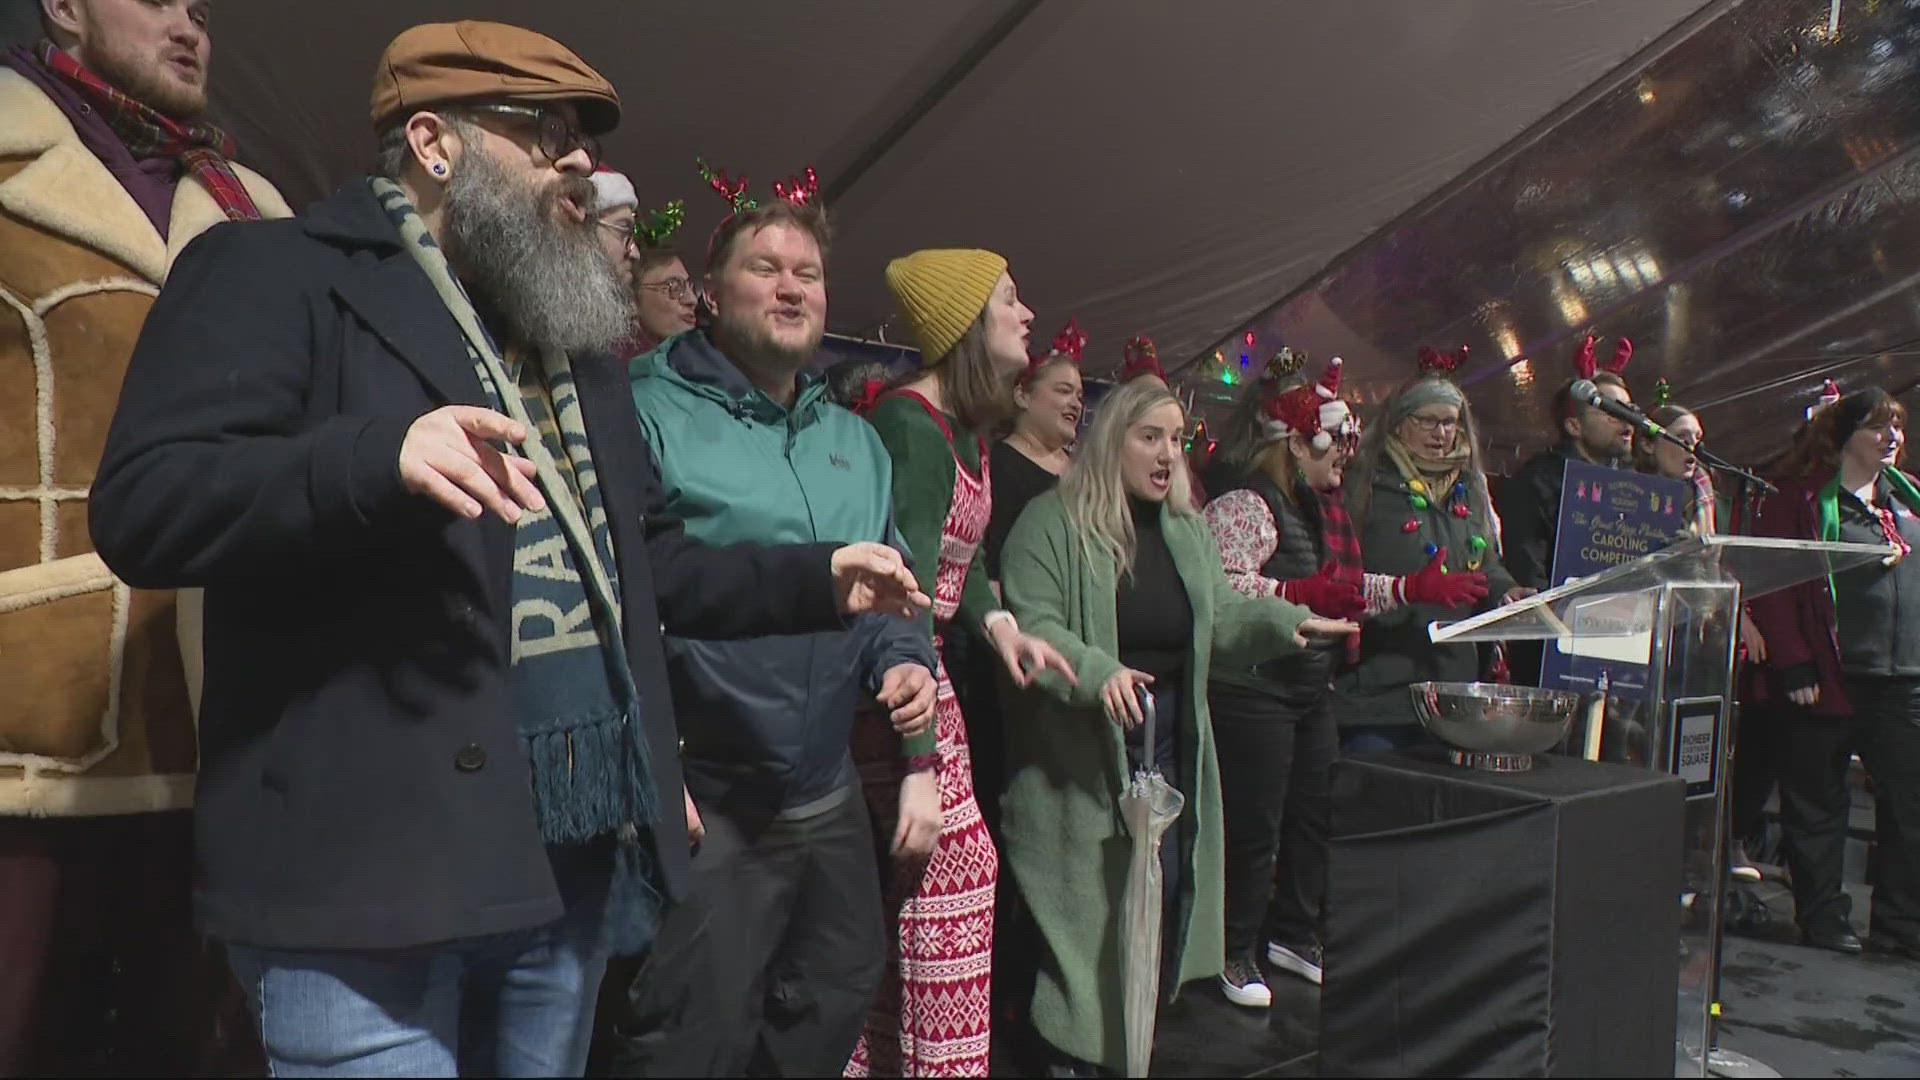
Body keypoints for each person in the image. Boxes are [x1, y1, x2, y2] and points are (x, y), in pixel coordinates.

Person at [85, 21, 929, 1078]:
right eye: (543, 134)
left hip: (557, 866)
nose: (581, 163)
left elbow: (645, 571)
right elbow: (144, 505)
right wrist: (374, 458)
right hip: (366, 883)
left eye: (582, 139)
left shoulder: (577, 347)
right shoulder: (277, 270)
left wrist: (816, 577)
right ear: (434, 145)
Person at [0, 1, 291, 1073]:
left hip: (229, 709)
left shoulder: (252, 206)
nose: (189, 23)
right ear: (66, 8)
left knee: (198, 1042)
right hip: (33, 709)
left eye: (202, 10)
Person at [604, 186, 944, 1076]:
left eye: (810, 274)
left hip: (823, 796)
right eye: (766, 269)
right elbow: (634, 591)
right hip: (706, 802)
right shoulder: (642, 406)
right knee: (684, 1037)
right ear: (713, 292)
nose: (792, 289)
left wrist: (907, 679)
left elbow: (894, 597)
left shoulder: (856, 442)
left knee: (831, 997)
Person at [998, 377, 1356, 1075]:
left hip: (1164, 748)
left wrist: (1290, 624)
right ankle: (1069, 1054)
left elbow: (1219, 614)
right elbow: (1033, 624)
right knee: (1085, 919)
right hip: (1079, 759)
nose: (1168, 455)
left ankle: (1122, 1049)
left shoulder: (1186, 529)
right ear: (1113, 442)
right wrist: (1100, 672)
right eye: (1150, 437)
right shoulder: (1053, 523)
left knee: (1154, 906)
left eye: (1178, 440)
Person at [854, 247, 1074, 1076]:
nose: (1026, 315)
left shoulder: (968, 430)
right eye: (1008, 302)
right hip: (896, 681)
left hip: (938, 670)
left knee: (915, 886)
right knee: (956, 873)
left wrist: (1003, 630)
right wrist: (915, 755)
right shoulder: (908, 425)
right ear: (965, 326)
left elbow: (967, 562)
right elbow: (902, 580)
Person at [1747, 386, 1920, 960]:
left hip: (1902, 681)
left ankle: (1900, 924)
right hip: (1826, 677)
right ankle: (1823, 918)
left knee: (1909, 805)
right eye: (1878, 427)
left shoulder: (1908, 499)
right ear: (1845, 436)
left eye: (1896, 426)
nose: (1892, 437)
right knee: (1817, 805)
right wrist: (1793, 663)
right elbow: (1776, 585)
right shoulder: (1798, 500)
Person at [1338, 345, 1527, 752]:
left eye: (1451, 424)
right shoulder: (1364, 484)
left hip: (1451, 691)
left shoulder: (1471, 488)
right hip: (1377, 689)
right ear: (1399, 424)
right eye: (1428, 422)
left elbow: (1485, 561)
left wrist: (1505, 590)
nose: (1441, 434)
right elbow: (1339, 568)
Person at [1497, 333, 1637, 593]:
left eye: (1630, 410)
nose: (1627, 420)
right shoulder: (1535, 483)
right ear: (1574, 425)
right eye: (1613, 411)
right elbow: (1527, 573)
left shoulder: (1636, 486)